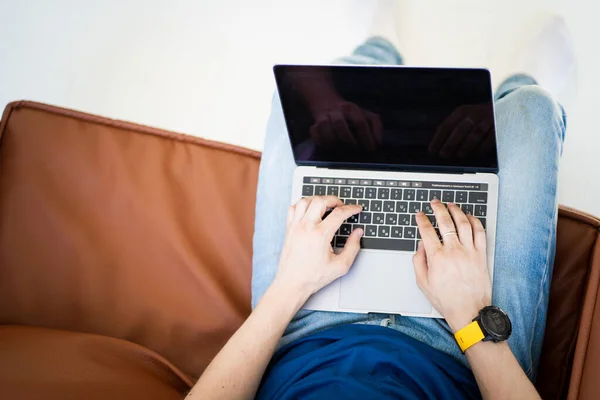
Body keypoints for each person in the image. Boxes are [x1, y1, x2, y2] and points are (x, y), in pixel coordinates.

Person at [188, 12, 573, 400]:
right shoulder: (466, 325)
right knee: (531, 111)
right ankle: (520, 80)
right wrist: (469, 312)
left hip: (301, 329)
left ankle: (377, 47)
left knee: (305, 111)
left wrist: (290, 284)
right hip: (460, 349)